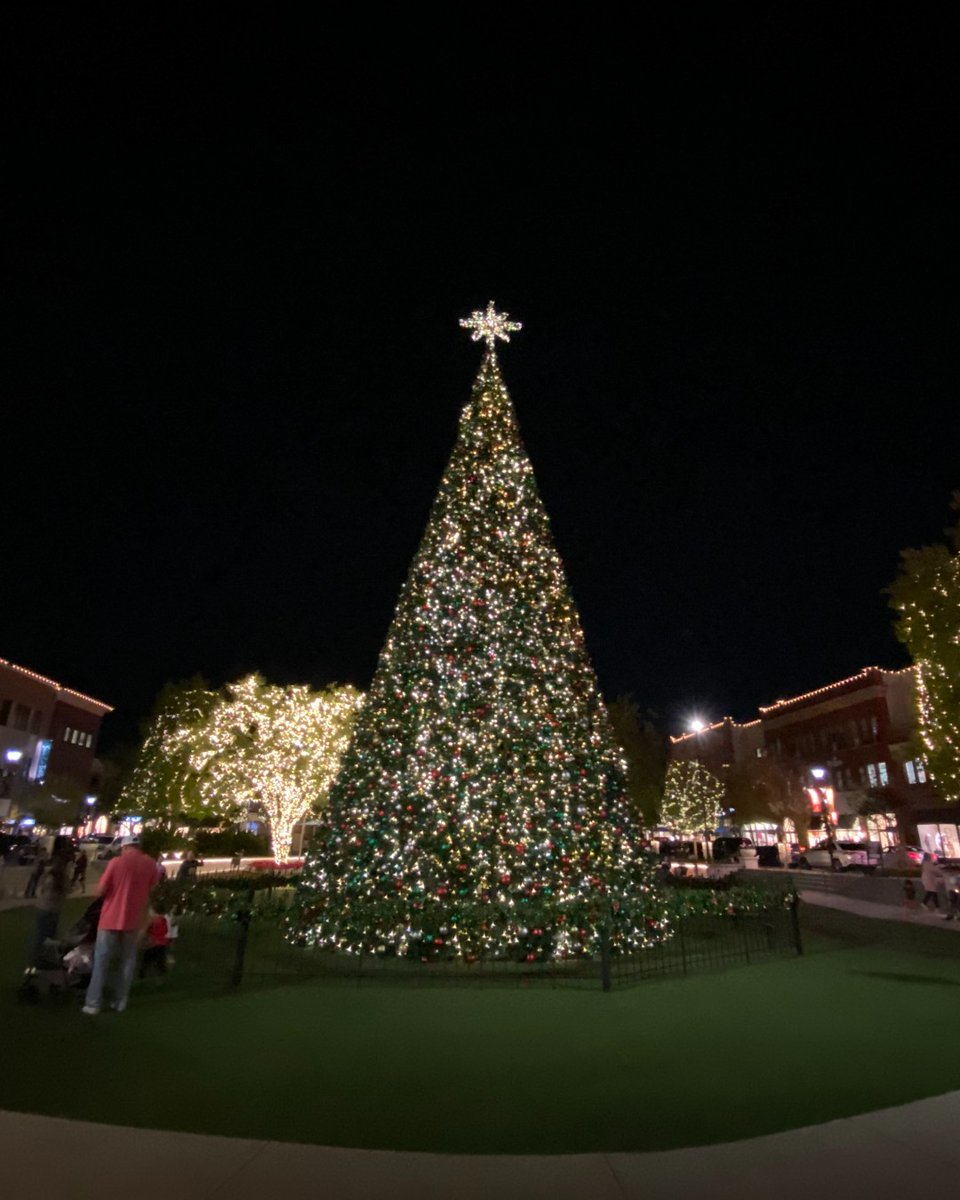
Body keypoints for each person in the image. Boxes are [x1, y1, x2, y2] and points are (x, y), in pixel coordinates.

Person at [82, 835, 159, 1015]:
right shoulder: (150, 864)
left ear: (124, 847)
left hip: (110, 918)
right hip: (133, 920)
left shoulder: (116, 862)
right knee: (127, 961)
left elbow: (100, 891)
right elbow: (152, 887)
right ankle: (119, 1001)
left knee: (101, 960)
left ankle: (93, 1003)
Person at [28, 840, 72, 966]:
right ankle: (37, 960)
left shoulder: (53, 875)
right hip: (49, 909)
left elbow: (41, 889)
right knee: (44, 936)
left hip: (47, 908)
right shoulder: (57, 878)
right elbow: (65, 890)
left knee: (46, 935)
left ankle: (42, 959)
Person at [139, 903, 171, 979]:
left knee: (146, 959)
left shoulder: (152, 920)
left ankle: (142, 973)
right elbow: (166, 931)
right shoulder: (163, 920)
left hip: (153, 943)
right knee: (160, 960)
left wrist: (145, 938)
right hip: (162, 944)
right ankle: (161, 974)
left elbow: (147, 930)